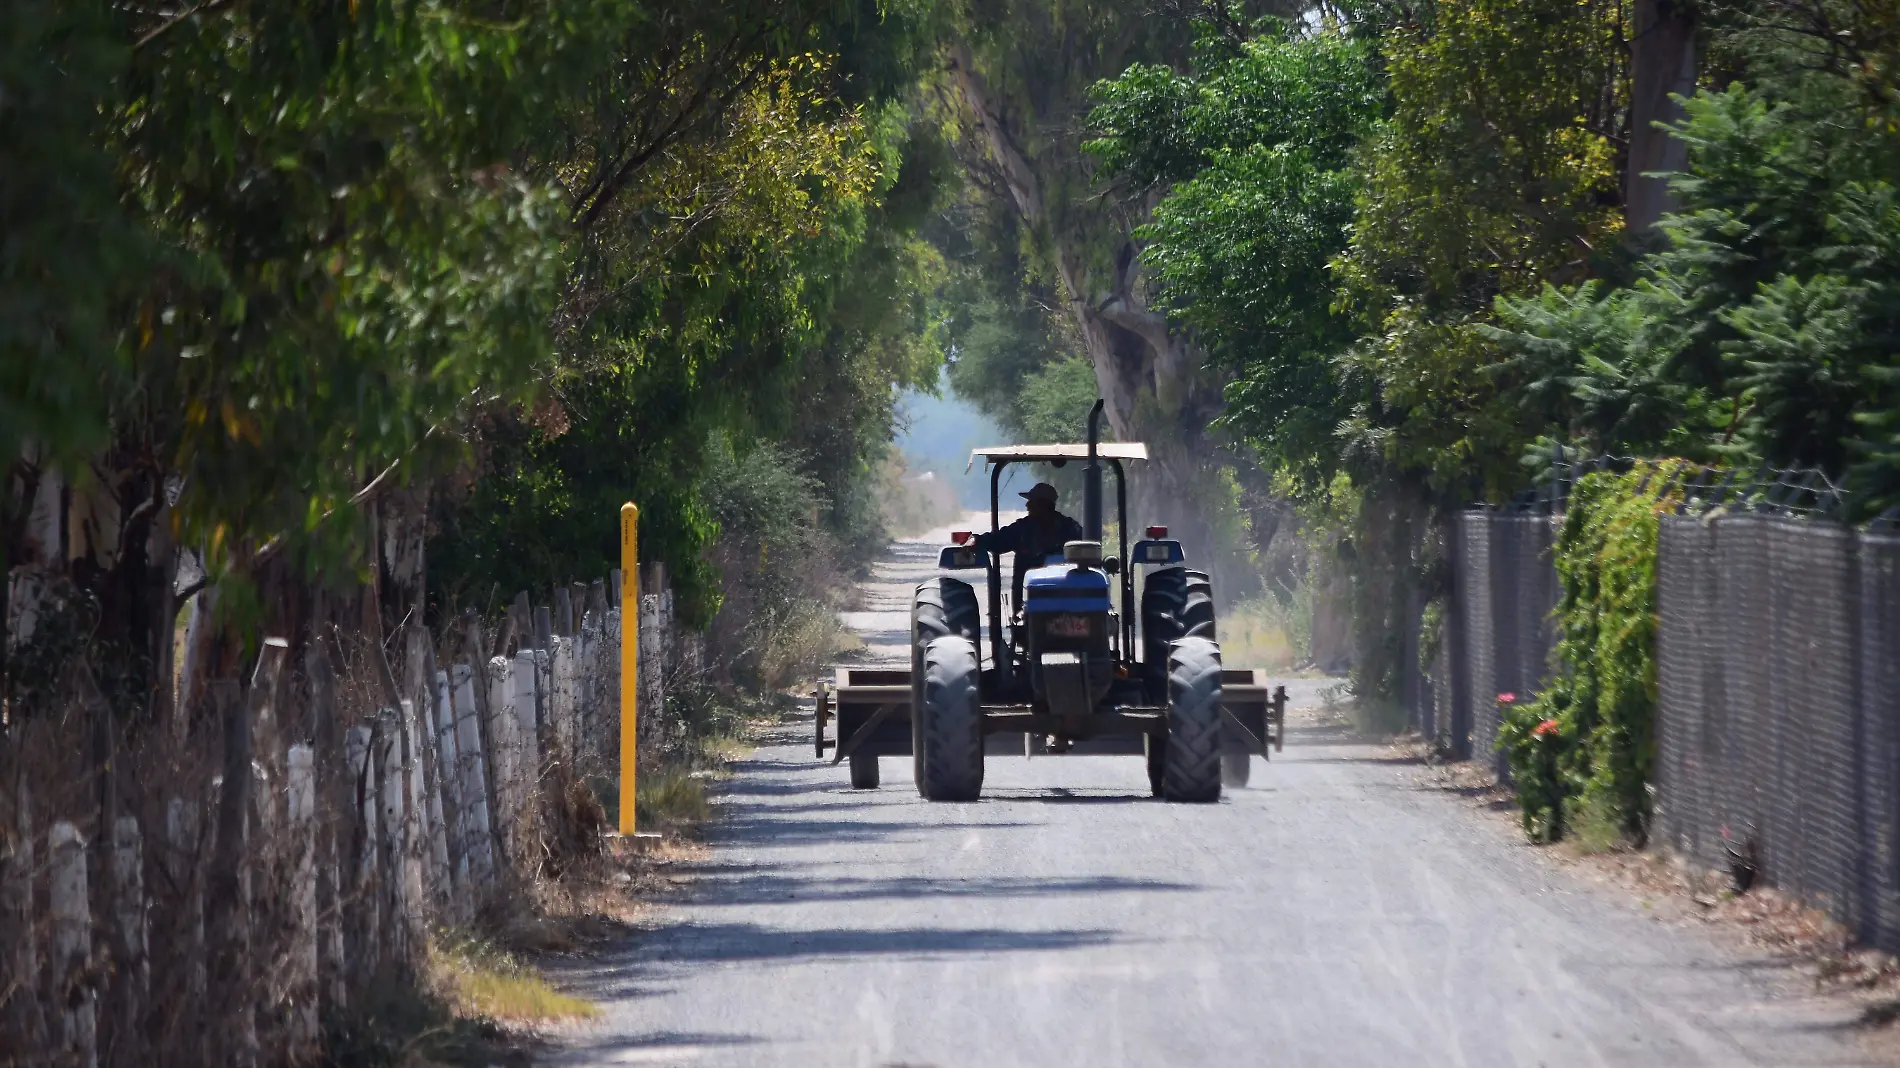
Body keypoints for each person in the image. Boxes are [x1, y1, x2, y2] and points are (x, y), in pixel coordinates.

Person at [973, 482, 1086, 612]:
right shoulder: (1023, 529)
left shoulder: (1070, 528)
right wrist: (978, 540)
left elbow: (1087, 547)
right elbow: (998, 540)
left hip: (1067, 603)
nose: (1027, 505)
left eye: (1032, 502)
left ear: (1044, 505)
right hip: (1027, 605)